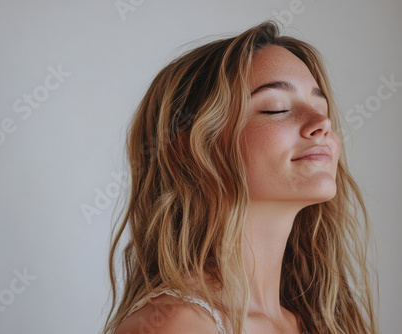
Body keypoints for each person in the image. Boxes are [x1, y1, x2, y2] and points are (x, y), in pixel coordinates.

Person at [102, 20, 378, 334]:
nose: (321, 124)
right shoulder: (176, 325)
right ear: (191, 149)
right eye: (275, 108)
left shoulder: (320, 322)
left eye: (321, 107)